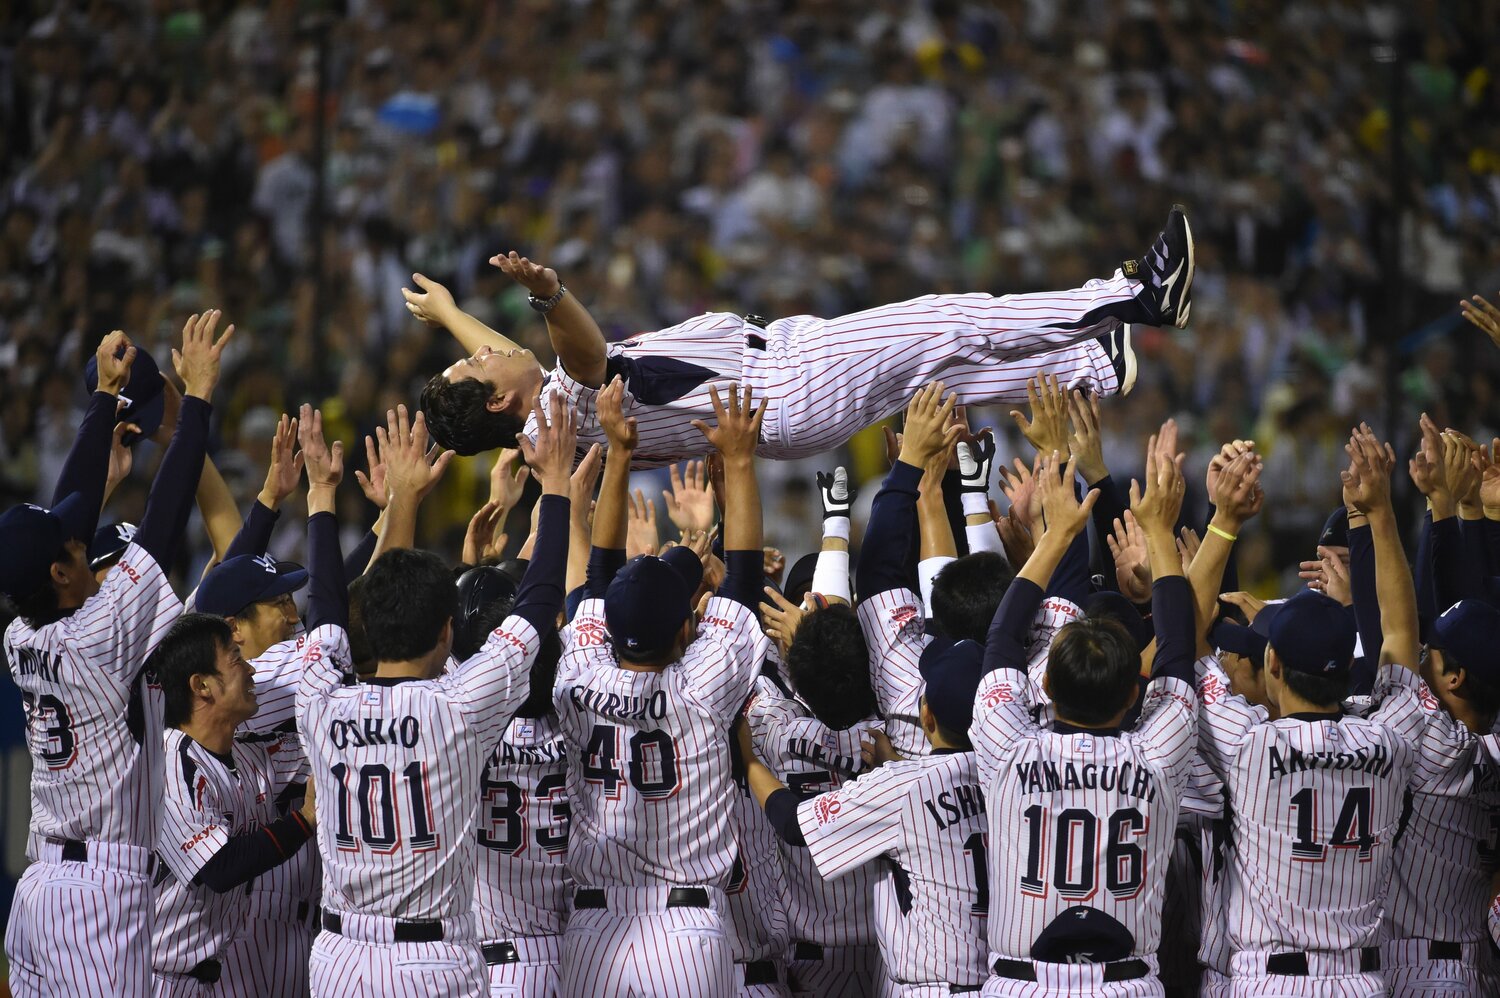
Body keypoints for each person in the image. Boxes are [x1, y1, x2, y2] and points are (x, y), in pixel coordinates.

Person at [411, 208, 1197, 465]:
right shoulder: (557, 410)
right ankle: (1134, 295)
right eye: (474, 364)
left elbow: (505, 367)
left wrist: (450, 313)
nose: (484, 348)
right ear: (495, 407)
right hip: (783, 384)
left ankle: (1093, 364)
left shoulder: (532, 423)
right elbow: (585, 359)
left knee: (944, 378)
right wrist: (551, 295)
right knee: (943, 320)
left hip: (781, 389)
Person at [295, 399, 576, 997]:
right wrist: (555, 486)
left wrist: (322, 494)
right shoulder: (459, 707)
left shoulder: (319, 699)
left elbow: (324, 608)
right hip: (428, 965)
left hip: (338, 961)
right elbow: (538, 601)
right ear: (447, 633)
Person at [1193, 425, 1482, 996]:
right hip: (1359, 979)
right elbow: (1399, 632)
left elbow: (1189, 635)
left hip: (1267, 983)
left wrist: (1223, 518)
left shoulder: (1248, 744)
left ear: (1271, 663)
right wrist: (1378, 513)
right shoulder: (1387, 737)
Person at [1, 313, 233, 998]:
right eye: (71, 550)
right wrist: (197, 401)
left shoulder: (21, 635)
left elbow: (63, 525)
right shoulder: (98, 635)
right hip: (98, 898)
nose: (80, 540)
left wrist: (104, 398)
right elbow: (163, 518)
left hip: (39, 885)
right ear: (62, 576)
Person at [553, 378, 768, 996]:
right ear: (685, 627)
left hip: (593, 934)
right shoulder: (702, 685)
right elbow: (746, 577)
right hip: (685, 934)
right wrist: (740, 461)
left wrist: (618, 457)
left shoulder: (577, 678)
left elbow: (597, 571)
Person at [971, 427, 1201, 997]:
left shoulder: (1008, 747)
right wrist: (1159, 532)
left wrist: (1057, 537)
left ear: (1044, 683)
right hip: (1125, 986)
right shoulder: (1158, 753)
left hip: (1023, 985)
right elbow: (1178, 647)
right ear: (1133, 694)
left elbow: (1001, 639)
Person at [743, 639, 993, 996]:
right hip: (996, 982)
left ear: (927, 716)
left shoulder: (902, 786)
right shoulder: (1006, 780)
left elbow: (793, 823)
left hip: (929, 984)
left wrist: (749, 760)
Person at [146, 612, 319, 996]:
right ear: (202, 685)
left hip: (204, 977)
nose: (252, 670)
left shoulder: (246, 757)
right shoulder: (173, 763)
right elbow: (220, 867)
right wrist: (304, 820)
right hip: (155, 978)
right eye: (237, 660)